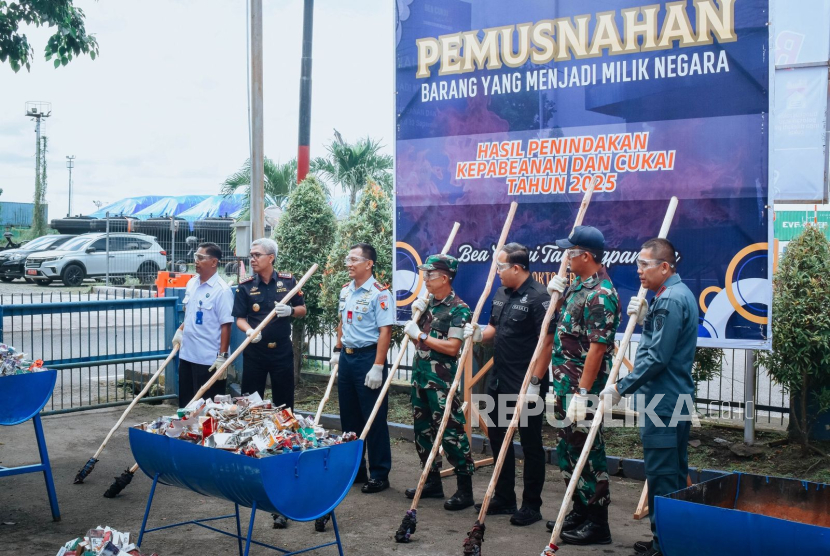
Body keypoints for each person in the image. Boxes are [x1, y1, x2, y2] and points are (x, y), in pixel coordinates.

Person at [601, 238, 697, 556]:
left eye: (645, 264)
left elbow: (656, 358)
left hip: (662, 404)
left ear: (665, 267)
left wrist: (619, 388)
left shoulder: (670, 299)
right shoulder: (672, 296)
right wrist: (648, 316)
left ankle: (665, 546)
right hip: (672, 401)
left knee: (662, 477)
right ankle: (670, 540)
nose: (639, 270)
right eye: (638, 264)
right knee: (673, 472)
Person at [466, 243, 554, 526]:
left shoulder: (539, 297)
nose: (497, 272)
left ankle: (531, 505)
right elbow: (494, 328)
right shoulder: (502, 293)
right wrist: (479, 333)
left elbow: (547, 343)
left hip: (526, 384)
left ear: (517, 268)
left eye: (500, 267)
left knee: (530, 444)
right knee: (497, 438)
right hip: (500, 380)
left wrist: (535, 382)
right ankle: (504, 497)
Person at [544, 226, 620, 545]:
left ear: (585, 256)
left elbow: (598, 348)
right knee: (568, 450)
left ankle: (598, 522)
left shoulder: (601, 294)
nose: (565, 258)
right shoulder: (578, 287)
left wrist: (583, 394)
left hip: (580, 390)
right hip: (565, 386)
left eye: (570, 252)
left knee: (589, 453)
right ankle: (579, 508)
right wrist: (558, 296)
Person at [232, 237, 306, 529]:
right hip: (255, 352)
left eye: (257, 255)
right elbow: (238, 317)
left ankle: (282, 453)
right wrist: (250, 330)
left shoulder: (288, 282)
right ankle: (252, 454)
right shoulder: (245, 284)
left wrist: (290, 311)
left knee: (284, 405)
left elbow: (302, 310)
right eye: (250, 255)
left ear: (271, 258)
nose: (252, 259)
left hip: (282, 352)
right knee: (252, 405)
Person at [402, 254, 476, 511]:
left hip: (442, 383)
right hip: (420, 378)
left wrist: (420, 334)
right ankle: (432, 481)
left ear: (444, 278)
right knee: (422, 431)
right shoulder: (426, 305)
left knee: (451, 433)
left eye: (430, 275)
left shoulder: (459, 309)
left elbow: (453, 348)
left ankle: (465, 490)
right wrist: (415, 327)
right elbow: (419, 343)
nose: (425, 279)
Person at [333, 243, 394, 494]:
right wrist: (337, 351)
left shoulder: (380, 293)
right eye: (348, 258)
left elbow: (385, 331)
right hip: (347, 359)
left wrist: (378, 366)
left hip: (369, 359)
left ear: (368, 264)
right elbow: (341, 322)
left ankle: (380, 473)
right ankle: (355, 470)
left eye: (354, 259)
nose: (349, 263)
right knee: (349, 417)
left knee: (374, 418)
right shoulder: (346, 290)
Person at [172, 242, 234, 406]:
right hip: (187, 355)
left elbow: (226, 325)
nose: (196, 261)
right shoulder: (192, 283)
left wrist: (222, 357)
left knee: (207, 409)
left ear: (214, 262)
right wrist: (180, 330)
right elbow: (190, 312)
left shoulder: (222, 291)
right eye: (195, 257)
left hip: (208, 360)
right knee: (186, 404)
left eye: (200, 258)